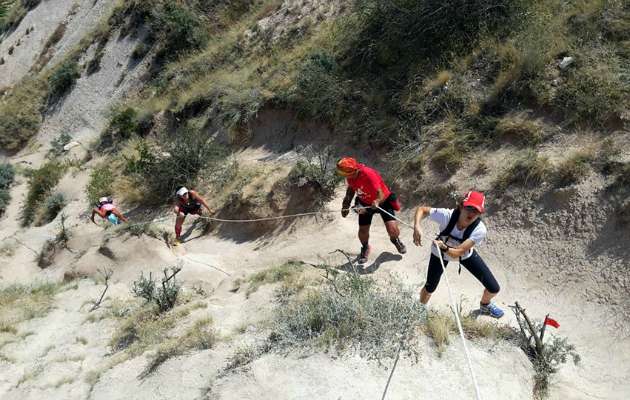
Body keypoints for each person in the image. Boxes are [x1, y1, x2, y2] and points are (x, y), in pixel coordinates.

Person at [412, 191, 503, 318]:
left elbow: (458, 252)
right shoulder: (447, 215)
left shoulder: (479, 229)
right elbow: (422, 210)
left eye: (476, 211)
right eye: (469, 208)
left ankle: (485, 305)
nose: (471, 213)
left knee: (493, 288)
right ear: (461, 206)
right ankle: (419, 309)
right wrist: (417, 226)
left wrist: (444, 247)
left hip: (460, 254)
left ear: (480, 213)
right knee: (430, 287)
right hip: (439, 253)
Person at [337, 157, 406, 264]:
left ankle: (395, 240)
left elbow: (380, 193)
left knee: (393, 230)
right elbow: (350, 190)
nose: (344, 176)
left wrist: (377, 201)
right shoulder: (350, 176)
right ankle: (365, 247)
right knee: (363, 231)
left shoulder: (368, 174)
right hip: (364, 203)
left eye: (345, 173)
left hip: (383, 202)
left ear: (353, 170)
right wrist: (345, 204)